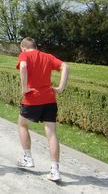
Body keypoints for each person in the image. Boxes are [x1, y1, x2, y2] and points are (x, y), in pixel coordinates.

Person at [15, 37, 69, 182]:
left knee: (22, 124)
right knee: (51, 133)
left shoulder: (24, 55)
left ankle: (28, 158)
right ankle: (55, 170)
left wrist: (24, 88)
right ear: (35, 46)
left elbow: (24, 66)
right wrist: (61, 88)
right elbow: (65, 66)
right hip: (50, 99)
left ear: (23, 48)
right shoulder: (48, 56)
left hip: (32, 98)